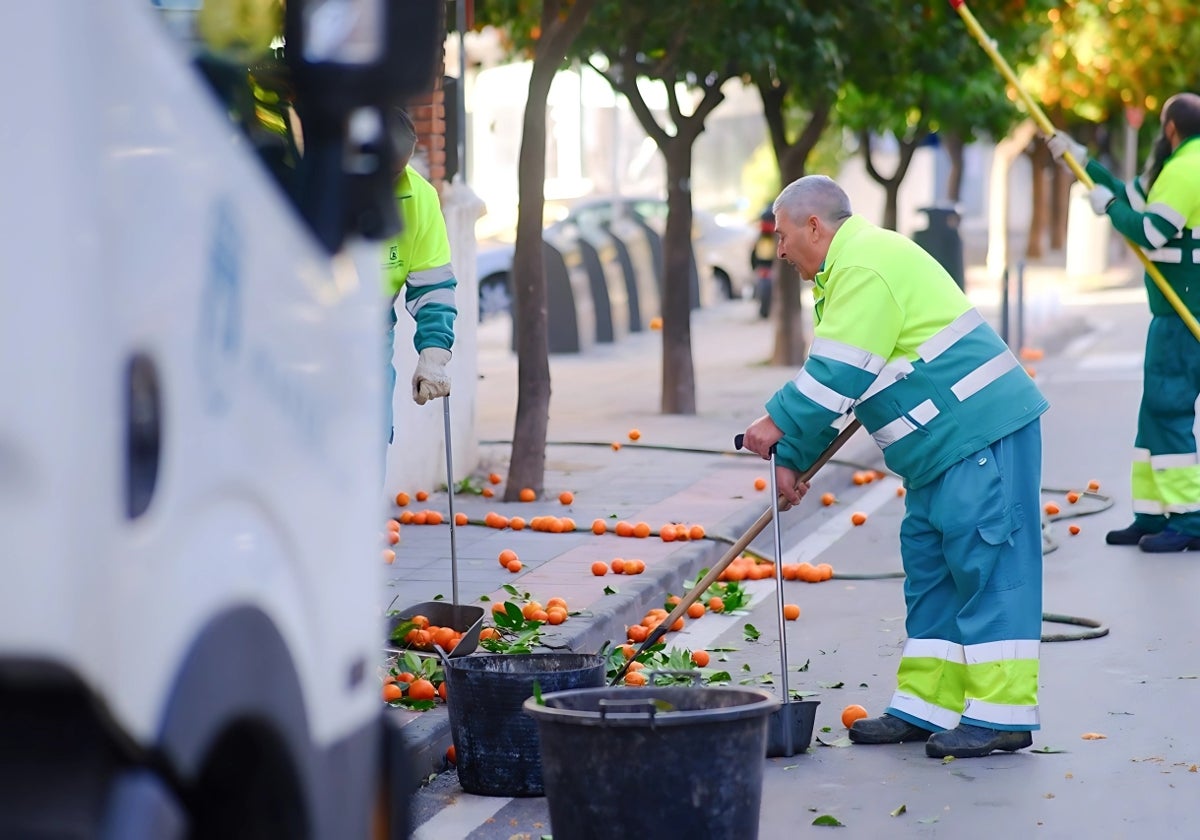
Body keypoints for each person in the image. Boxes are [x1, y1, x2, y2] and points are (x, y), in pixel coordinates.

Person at [741, 175, 1049, 759]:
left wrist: (774, 425)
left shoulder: (864, 266)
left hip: (977, 433)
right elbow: (853, 382)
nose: (778, 250)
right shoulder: (846, 274)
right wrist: (796, 460)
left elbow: (837, 373)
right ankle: (925, 707)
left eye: (782, 236)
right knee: (932, 572)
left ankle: (1002, 716)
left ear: (814, 226)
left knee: (988, 567)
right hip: (937, 451)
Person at [1049, 93, 1200, 553]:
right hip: (1172, 314)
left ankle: (1189, 520)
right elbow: (1130, 194)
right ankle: (1152, 515)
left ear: (1170, 127)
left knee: (1169, 411)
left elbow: (1150, 229)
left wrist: (1109, 209)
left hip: (1183, 315)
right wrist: (1083, 163)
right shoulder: (1178, 164)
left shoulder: (1188, 167)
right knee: (1153, 413)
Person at [382, 108, 457, 447]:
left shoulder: (420, 197)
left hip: (372, 334)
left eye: (400, 171)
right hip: (307, 334)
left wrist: (434, 353)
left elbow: (434, 285)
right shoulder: (318, 185)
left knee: (373, 434)